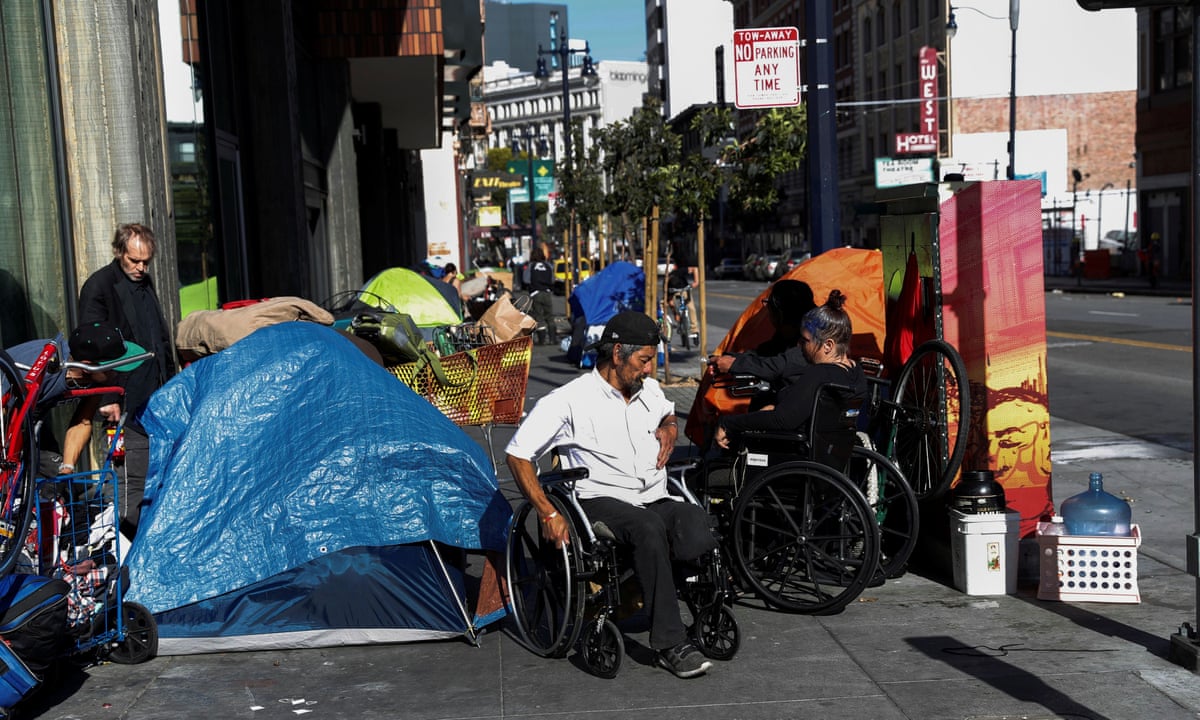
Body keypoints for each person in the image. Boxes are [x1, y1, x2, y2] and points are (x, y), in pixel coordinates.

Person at [505, 311, 718, 679]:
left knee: (696, 521)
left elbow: (668, 413)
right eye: (645, 360)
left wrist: (669, 427)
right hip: (599, 501)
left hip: (652, 495)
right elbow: (518, 454)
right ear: (618, 353)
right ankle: (670, 642)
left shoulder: (648, 389)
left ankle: (667, 589)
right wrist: (546, 512)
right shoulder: (568, 401)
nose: (650, 370)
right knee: (648, 528)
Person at [78, 223, 176, 537]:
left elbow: (158, 337)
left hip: (155, 396)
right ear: (119, 251)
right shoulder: (100, 286)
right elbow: (91, 348)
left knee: (155, 475)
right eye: (134, 260)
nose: (140, 267)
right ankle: (127, 552)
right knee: (130, 481)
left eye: (146, 261)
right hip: (123, 400)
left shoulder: (144, 283)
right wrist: (107, 399)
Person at [714, 290, 867, 449]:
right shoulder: (856, 372)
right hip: (831, 451)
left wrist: (728, 423)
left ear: (828, 345)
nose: (799, 345)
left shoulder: (819, 374)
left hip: (798, 451)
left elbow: (782, 420)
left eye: (805, 340)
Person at [5, 323, 148, 479]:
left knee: (54, 477)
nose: (118, 375)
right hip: (7, 411)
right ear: (87, 367)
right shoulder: (43, 372)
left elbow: (83, 421)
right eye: (113, 368)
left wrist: (67, 468)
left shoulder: (97, 377)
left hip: (31, 416)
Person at [708, 280, 817, 409]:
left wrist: (734, 364)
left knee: (727, 425)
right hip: (786, 401)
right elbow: (764, 354)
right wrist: (728, 358)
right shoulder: (786, 333)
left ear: (780, 312)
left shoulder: (811, 335)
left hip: (802, 409)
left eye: (768, 304)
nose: (767, 310)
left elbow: (778, 365)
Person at [526, 248, 556, 346]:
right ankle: (552, 339)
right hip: (547, 292)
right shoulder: (548, 266)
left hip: (536, 293)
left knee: (538, 316)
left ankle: (542, 340)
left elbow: (526, 280)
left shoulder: (531, 266)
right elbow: (552, 279)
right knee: (550, 316)